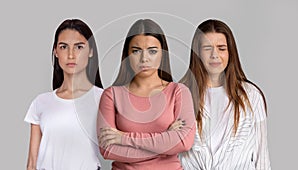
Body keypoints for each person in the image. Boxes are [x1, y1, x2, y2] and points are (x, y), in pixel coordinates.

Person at [97, 19, 196, 170]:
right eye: (136, 51)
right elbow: (108, 149)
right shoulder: (112, 95)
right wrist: (164, 142)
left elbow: (184, 142)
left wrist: (124, 138)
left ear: (162, 53)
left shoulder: (178, 92)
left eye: (152, 51)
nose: (144, 59)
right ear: (127, 55)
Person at [178, 19, 271, 169]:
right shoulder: (180, 94)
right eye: (207, 48)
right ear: (197, 52)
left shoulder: (251, 95)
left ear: (230, 52)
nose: (215, 55)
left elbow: (262, 156)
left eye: (221, 48)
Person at [24, 19, 104, 170]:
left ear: (91, 51)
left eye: (79, 47)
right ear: (55, 51)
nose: (71, 55)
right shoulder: (40, 102)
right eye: (63, 47)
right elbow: (32, 162)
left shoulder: (103, 99)